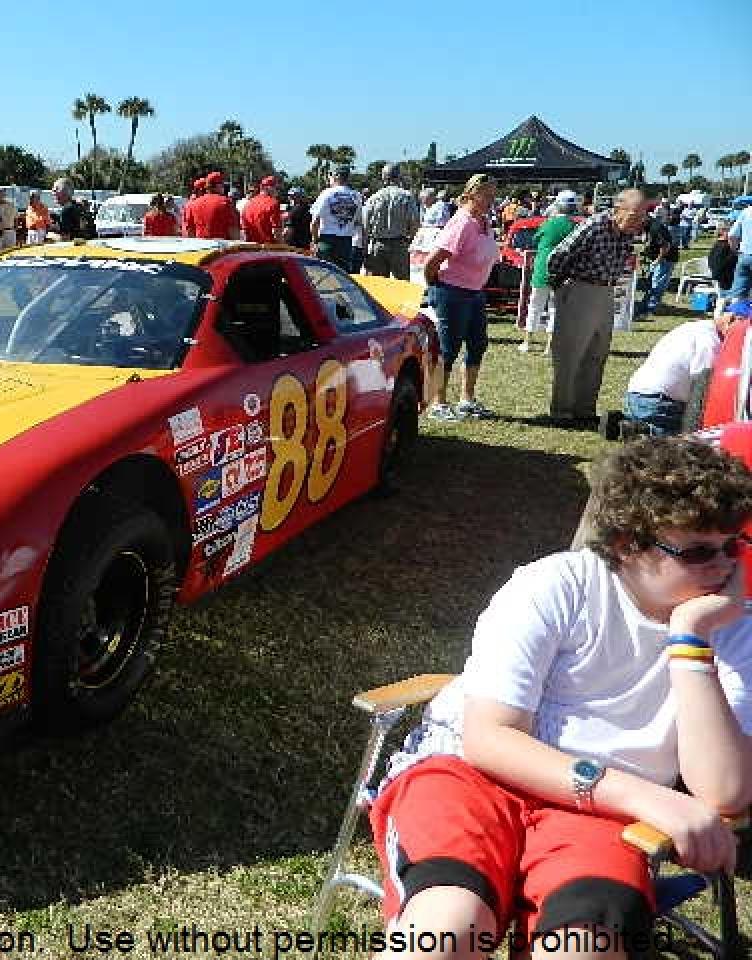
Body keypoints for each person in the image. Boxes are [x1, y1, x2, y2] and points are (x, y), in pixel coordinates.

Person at [370, 434, 752, 958]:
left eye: (733, 546)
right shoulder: (555, 585)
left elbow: (725, 791)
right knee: (449, 928)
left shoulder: (731, 626)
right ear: (627, 544)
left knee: (582, 947)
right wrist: (645, 797)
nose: (723, 566)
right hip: (473, 779)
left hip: (597, 818)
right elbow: (489, 739)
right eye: (699, 551)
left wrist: (690, 642)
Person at [545, 188, 649, 424]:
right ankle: (561, 410)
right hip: (582, 288)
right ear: (618, 210)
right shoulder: (594, 225)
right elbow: (558, 256)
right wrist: (562, 287)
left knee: (597, 353)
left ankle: (585, 409)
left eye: (642, 217)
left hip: (606, 291)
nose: (639, 222)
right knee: (570, 353)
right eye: (635, 216)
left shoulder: (626, 233)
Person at [422, 173, 499, 421]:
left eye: (493, 195)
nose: (491, 200)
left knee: (477, 344)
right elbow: (432, 261)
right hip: (452, 292)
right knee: (448, 348)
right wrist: (435, 286)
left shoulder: (484, 222)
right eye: (486, 195)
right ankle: (438, 403)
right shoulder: (462, 222)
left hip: (475, 292)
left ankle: (467, 399)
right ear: (472, 194)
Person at [618, 300, 747, 436]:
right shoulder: (710, 342)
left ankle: (632, 424)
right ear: (732, 320)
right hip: (658, 404)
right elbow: (702, 390)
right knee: (688, 441)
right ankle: (644, 431)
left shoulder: (696, 327)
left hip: (636, 396)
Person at [519, 190, 581, 354]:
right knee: (556, 309)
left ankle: (527, 342)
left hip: (542, 269)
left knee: (535, 306)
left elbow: (535, 239)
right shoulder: (574, 227)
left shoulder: (548, 223)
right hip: (562, 272)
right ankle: (549, 346)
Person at [362, 164, 420, 279]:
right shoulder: (407, 196)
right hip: (400, 245)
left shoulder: (373, 198)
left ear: (383, 178)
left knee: (378, 285)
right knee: (402, 284)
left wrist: (365, 250)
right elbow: (415, 221)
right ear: (399, 177)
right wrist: (409, 239)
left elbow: (365, 226)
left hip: (378, 245)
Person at [310, 168, 363, 269]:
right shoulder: (357, 196)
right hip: (346, 242)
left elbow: (314, 222)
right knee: (342, 274)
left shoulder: (327, 193)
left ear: (336, 177)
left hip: (327, 240)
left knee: (324, 273)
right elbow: (358, 221)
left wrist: (315, 241)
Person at [634, 205, 679, 320]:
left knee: (657, 283)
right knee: (650, 283)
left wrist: (658, 260)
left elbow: (665, 246)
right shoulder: (647, 227)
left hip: (666, 259)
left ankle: (652, 307)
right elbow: (649, 242)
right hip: (656, 258)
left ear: (645, 218)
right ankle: (646, 303)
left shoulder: (655, 227)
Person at [182, 171, 240, 241]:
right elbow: (233, 231)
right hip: (221, 246)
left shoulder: (194, 204)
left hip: (201, 246)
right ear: (218, 186)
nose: (223, 188)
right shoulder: (225, 202)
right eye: (222, 185)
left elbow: (190, 231)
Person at [239, 176, 282, 244]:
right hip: (269, 247)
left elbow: (244, 231)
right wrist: (283, 245)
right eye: (276, 188)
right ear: (266, 188)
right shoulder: (273, 203)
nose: (278, 191)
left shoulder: (249, 204)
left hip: (251, 247)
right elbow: (276, 232)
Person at [726, 203, 752, 300]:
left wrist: (735, 251)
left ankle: (736, 308)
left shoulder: (746, 212)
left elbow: (732, 235)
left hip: (745, 256)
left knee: (738, 294)